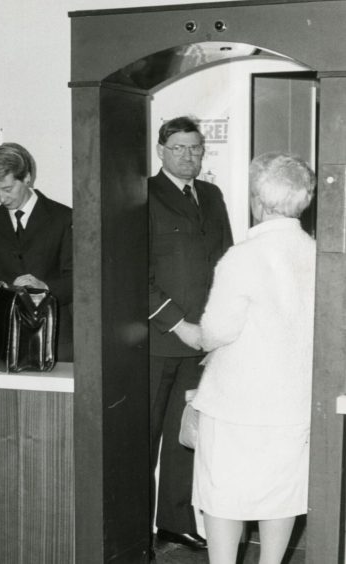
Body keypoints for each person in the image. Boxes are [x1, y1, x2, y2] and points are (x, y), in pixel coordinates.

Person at [175, 153, 315, 564]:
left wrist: (198, 336)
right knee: (280, 494)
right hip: (293, 402)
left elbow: (216, 332)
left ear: (258, 199)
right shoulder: (319, 255)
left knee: (224, 497)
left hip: (236, 403)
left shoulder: (243, 256)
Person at [148, 116, 233, 551]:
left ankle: (174, 520)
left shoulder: (212, 195)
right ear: (161, 150)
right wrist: (177, 324)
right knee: (142, 438)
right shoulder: (142, 195)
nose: (188, 156)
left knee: (186, 435)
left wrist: (216, 329)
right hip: (160, 340)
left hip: (202, 341)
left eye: (195, 148)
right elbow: (134, 273)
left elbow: (225, 266)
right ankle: (130, 526)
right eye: (179, 148)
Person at [0, 142, 73, 361]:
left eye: (7, 189)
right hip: (5, 338)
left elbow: (79, 278)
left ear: (26, 178)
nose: (1, 198)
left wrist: (45, 287)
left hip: (56, 338)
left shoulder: (64, 218)